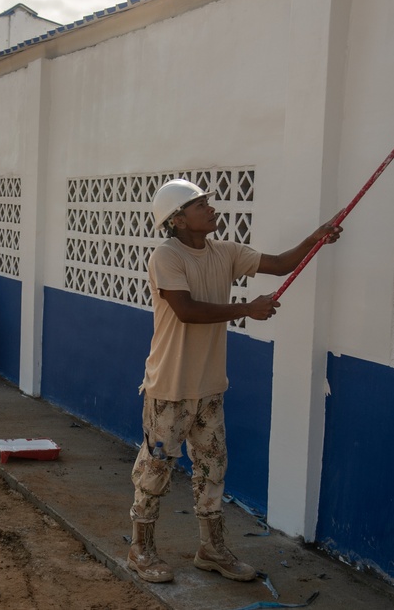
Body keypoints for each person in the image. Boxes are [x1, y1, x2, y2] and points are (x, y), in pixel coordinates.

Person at [127, 179, 342, 584]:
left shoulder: (225, 252)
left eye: (208, 201)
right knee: (156, 470)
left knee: (213, 469)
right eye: (200, 204)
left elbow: (279, 263)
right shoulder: (166, 256)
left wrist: (316, 238)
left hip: (210, 386)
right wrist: (247, 308)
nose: (210, 208)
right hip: (170, 386)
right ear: (177, 219)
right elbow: (186, 310)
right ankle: (140, 549)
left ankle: (212, 549)